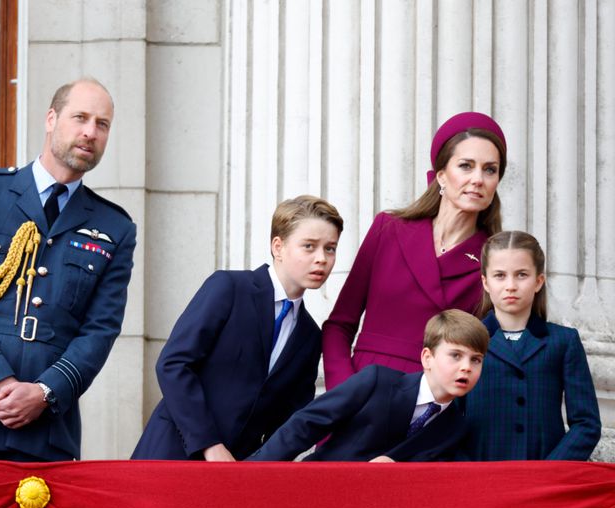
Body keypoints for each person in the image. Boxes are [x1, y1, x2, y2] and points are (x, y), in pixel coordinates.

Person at [0, 78, 137, 461]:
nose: (90, 132)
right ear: (51, 119)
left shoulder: (115, 228)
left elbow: (100, 329)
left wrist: (45, 392)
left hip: (45, 430)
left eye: (102, 124)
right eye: (80, 117)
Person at [131, 195, 343, 461]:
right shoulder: (229, 288)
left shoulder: (310, 335)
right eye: (309, 246)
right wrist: (210, 444)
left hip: (240, 468)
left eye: (330, 248)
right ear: (278, 247)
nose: (321, 258)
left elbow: (289, 419)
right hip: (171, 453)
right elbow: (173, 364)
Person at [322, 112, 507, 389]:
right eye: (466, 166)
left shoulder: (494, 261)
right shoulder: (388, 229)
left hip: (434, 401)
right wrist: (344, 394)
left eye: (490, 170)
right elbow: (339, 325)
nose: (478, 179)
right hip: (363, 392)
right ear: (441, 175)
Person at [246, 309, 488, 462]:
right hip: (320, 491)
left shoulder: (455, 427)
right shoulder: (377, 381)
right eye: (455, 356)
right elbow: (307, 423)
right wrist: (251, 473)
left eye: (476, 360)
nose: (466, 367)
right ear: (427, 357)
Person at [459, 231, 601, 460]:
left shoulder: (564, 341)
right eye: (500, 275)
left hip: (545, 473)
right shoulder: (465, 341)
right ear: (485, 282)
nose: (511, 285)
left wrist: (550, 471)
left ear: (538, 281)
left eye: (521, 275)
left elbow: (586, 423)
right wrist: (469, 470)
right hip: (479, 473)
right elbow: (446, 420)